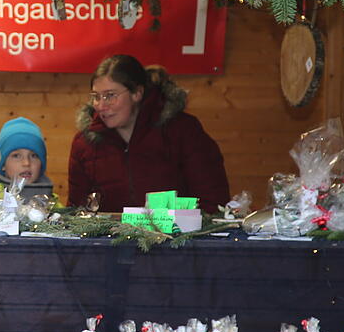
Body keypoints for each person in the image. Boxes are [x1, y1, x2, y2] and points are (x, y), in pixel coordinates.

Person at [68, 54, 228, 214]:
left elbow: (212, 200)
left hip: (179, 237)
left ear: (137, 93)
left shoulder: (182, 131)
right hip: (108, 238)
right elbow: (77, 211)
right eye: (96, 97)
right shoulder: (84, 144)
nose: (101, 105)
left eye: (110, 96)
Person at [0, 117, 60, 204]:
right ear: (2, 164)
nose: (26, 163)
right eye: (16, 156)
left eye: (34, 156)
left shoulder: (56, 209)